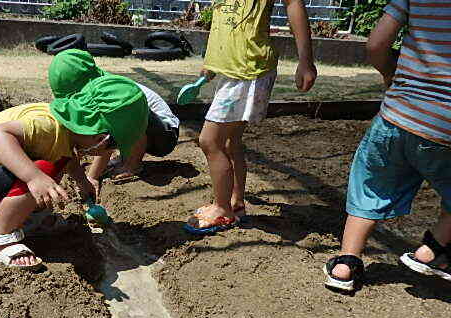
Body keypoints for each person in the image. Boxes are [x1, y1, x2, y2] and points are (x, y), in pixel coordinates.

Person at [0, 75, 148, 269]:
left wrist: (82, 181)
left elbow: (68, 157)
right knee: (45, 169)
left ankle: (30, 219)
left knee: (54, 164)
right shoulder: (47, 126)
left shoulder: (64, 131)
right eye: (112, 146)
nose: (110, 152)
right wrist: (34, 177)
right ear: (100, 137)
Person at [323, 0, 451, 291]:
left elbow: (376, 44)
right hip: (446, 126)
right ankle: (433, 249)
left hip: (398, 115)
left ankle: (346, 263)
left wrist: (390, 74)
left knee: (371, 184)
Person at [185, 0, 317, 234]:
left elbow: (293, 3)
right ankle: (235, 203)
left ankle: (222, 209)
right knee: (228, 142)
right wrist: (212, 61)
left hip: (248, 70)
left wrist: (305, 60)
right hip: (233, 69)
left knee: (210, 141)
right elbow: (224, 20)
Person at [47, 49, 180, 190]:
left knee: (125, 119)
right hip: (143, 129)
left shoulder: (111, 99)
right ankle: (126, 158)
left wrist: (91, 177)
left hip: (165, 133)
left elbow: (107, 137)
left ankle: (132, 166)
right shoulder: (93, 90)